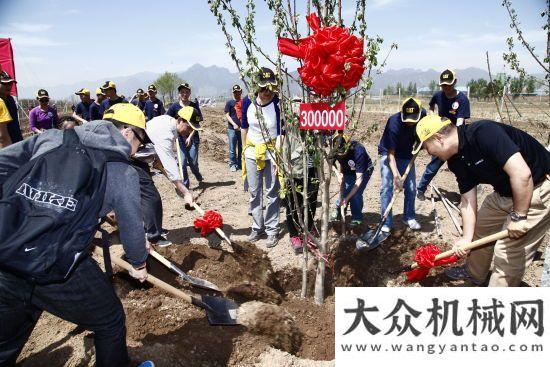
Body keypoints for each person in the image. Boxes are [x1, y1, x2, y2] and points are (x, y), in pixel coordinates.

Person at [0, 103, 154, 366]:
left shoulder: (52, 137)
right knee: (110, 320)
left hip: (6, 249)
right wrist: (139, 262)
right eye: (141, 140)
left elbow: (3, 165)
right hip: (52, 263)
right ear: (127, 132)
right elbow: (131, 226)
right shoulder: (122, 170)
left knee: (9, 336)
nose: (139, 149)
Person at [413, 115, 550, 287]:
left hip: (537, 190)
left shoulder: (484, 133)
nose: (428, 152)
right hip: (504, 193)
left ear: (438, 138)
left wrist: (519, 217)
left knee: (507, 251)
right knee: (480, 227)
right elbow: (467, 200)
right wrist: (467, 238)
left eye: (426, 147)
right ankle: (474, 274)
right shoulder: (455, 161)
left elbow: (522, 174)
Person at [241, 67, 283, 248]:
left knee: (272, 192)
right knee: (254, 191)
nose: (267, 92)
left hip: (272, 150)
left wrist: (278, 158)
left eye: (270, 88)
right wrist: (244, 150)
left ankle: (272, 230)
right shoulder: (247, 102)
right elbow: (244, 128)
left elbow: (283, 132)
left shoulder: (278, 104)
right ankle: (257, 227)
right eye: (263, 88)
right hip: (252, 151)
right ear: (256, 86)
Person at [417, 69, 471, 200]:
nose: (446, 87)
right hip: (440, 137)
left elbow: (460, 121)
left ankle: (466, 195)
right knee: (433, 166)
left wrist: (454, 141)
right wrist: (432, 117)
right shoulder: (438, 95)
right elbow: (431, 106)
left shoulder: (462, 100)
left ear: (455, 82)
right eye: (443, 85)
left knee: (462, 168)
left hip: (456, 138)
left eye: (448, 84)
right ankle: (420, 189)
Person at [377, 97, 425, 233]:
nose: (410, 123)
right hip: (390, 153)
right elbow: (391, 155)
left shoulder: (424, 116)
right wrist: (397, 176)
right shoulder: (394, 123)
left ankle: (409, 216)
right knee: (387, 187)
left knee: (411, 187)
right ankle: (386, 222)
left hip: (408, 154)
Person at [145, 107, 198, 209]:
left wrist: (158, 161)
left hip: (136, 158)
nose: (190, 132)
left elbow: (157, 145)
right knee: (150, 198)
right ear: (180, 120)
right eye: (189, 127)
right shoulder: (166, 134)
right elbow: (170, 165)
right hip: (128, 160)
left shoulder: (167, 120)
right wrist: (186, 192)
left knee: (149, 197)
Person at [283, 129, 319, 253]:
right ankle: (294, 235)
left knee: (312, 202)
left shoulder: (317, 128)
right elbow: (286, 153)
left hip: (313, 171)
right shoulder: (292, 129)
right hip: (296, 172)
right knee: (293, 204)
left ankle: (308, 231)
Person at [330, 134, 374, 227]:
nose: (340, 156)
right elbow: (331, 163)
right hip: (347, 170)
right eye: (339, 155)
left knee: (356, 193)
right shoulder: (334, 148)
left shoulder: (359, 151)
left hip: (363, 171)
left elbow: (358, 182)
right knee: (345, 191)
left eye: (343, 154)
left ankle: (357, 217)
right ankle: (339, 211)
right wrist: (338, 174)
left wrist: (346, 199)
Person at [166, 83, 203, 188]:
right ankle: (186, 185)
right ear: (179, 94)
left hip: (193, 138)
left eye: (186, 92)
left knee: (193, 163)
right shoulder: (174, 107)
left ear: (189, 93)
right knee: (182, 164)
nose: (184, 94)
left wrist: (190, 137)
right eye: (182, 92)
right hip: (180, 140)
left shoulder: (194, 106)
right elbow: (168, 120)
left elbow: (197, 124)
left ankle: (197, 174)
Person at [0, 71, 23, 145]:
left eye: (10, 83)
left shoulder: (11, 99)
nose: (8, 86)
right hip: (5, 145)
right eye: (4, 83)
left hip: (16, 140)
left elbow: (15, 123)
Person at [224, 84, 243, 172]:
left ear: (241, 92)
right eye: (235, 92)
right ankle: (232, 164)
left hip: (242, 129)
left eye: (238, 92)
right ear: (233, 93)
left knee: (241, 147)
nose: (237, 94)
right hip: (232, 129)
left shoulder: (243, 102)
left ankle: (240, 164)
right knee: (232, 148)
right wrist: (234, 124)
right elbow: (227, 115)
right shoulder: (229, 103)